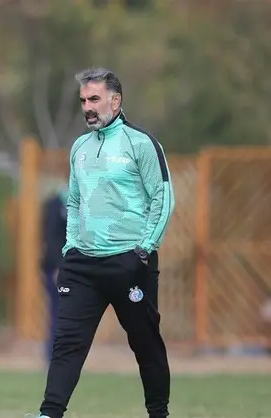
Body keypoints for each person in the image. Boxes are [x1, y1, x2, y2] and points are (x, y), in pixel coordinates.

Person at [30, 68, 175, 418]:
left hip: (130, 263)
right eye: (83, 100)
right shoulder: (79, 147)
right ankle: (49, 413)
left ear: (116, 100)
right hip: (82, 265)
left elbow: (163, 198)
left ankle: (158, 413)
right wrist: (69, 248)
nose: (88, 107)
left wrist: (145, 248)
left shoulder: (141, 143)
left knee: (146, 345)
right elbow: (74, 202)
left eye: (94, 99)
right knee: (67, 344)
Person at [41, 185, 68, 364]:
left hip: (75, 267)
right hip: (57, 268)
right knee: (58, 313)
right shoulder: (55, 204)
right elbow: (50, 238)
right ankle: (54, 358)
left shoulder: (86, 202)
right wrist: (59, 265)